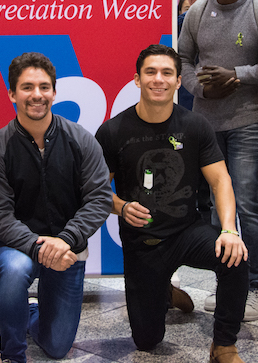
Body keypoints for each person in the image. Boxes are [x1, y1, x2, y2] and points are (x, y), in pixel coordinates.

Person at [97, 44, 249, 362]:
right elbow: (94, 190)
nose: (159, 79)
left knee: (235, 258)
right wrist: (121, 206)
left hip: (186, 232)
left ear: (179, 81)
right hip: (143, 242)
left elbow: (221, 180)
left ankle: (223, 345)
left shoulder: (195, 126)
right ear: (137, 80)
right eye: (150, 72)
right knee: (147, 342)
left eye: (167, 73)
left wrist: (229, 230)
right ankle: (163, 290)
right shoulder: (113, 131)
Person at [0, 52, 112, 363]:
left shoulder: (80, 140)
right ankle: (12, 354)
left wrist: (65, 240)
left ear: (54, 91)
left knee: (57, 347)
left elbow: (100, 197)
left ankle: (25, 310)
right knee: (13, 271)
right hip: (20, 247)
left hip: (68, 248)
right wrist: (38, 247)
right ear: (12, 94)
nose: (36, 95)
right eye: (26, 87)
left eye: (44, 87)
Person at [178, 0, 258, 319]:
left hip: (248, 121)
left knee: (246, 204)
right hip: (206, 126)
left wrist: (238, 75)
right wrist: (198, 86)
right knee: (218, 211)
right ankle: (231, 282)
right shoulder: (198, 12)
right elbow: (183, 59)